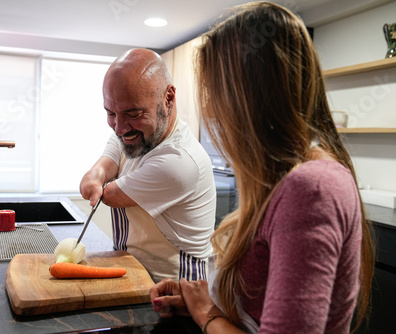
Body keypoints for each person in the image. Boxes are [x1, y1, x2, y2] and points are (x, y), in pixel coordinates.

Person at [149, 2, 375, 333]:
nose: (211, 109)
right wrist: (206, 302)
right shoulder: (286, 178)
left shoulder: (311, 189)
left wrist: (207, 314)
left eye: (216, 93)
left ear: (248, 98)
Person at [79, 48, 217, 283]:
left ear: (169, 99)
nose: (120, 127)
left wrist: (99, 180)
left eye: (133, 113)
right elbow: (107, 160)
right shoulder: (135, 133)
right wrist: (95, 175)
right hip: (134, 276)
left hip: (176, 290)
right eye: (111, 113)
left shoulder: (178, 161)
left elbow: (110, 194)